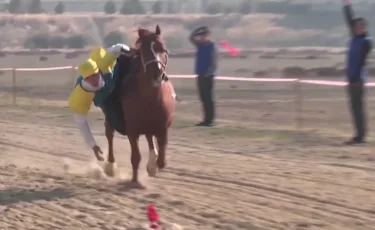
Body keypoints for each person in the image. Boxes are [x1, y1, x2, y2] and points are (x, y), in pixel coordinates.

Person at [68, 43, 131, 161]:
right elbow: (81, 123)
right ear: (84, 78)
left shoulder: (104, 63)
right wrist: (93, 146)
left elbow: (117, 48)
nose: (94, 80)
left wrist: (128, 50)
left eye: (95, 75)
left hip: (116, 77)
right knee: (121, 127)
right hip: (105, 99)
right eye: (89, 78)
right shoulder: (80, 96)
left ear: (98, 70)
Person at [341, 0, 372, 144]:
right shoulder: (354, 38)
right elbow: (349, 21)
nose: (356, 28)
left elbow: (361, 62)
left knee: (358, 108)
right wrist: (347, 5)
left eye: (359, 26)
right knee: (354, 109)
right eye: (355, 26)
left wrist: (356, 79)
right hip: (351, 78)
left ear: (364, 28)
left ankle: (361, 136)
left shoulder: (366, 41)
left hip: (358, 79)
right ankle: (358, 134)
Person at [189, 26, 218, 126]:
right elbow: (191, 38)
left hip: (208, 76)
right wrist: (197, 30)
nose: (201, 38)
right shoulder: (199, 45)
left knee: (208, 98)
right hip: (200, 75)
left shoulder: (211, 46)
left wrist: (208, 73)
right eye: (200, 36)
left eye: (203, 35)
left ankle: (210, 120)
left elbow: (213, 62)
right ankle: (206, 119)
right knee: (203, 98)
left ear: (207, 36)